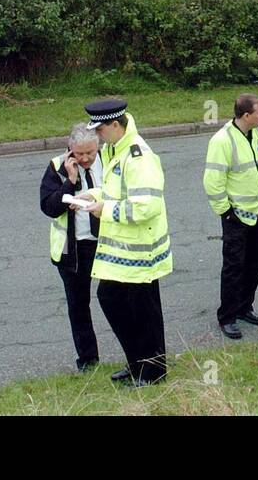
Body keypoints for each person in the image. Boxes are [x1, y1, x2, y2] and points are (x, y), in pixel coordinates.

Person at [74, 99, 171, 386]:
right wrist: (95, 196)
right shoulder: (115, 148)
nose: (97, 135)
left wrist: (106, 210)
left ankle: (153, 372)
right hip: (123, 251)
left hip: (141, 251)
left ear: (116, 125)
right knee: (111, 299)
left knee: (144, 311)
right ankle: (137, 362)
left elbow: (146, 206)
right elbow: (118, 191)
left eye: (100, 129)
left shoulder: (138, 156)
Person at [204, 93, 258, 340]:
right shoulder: (222, 141)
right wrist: (226, 212)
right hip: (235, 216)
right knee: (234, 267)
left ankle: (245, 307)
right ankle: (227, 316)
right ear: (246, 115)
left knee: (256, 262)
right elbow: (213, 182)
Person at [38, 123, 102, 373]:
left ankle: (135, 353)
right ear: (70, 149)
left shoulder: (109, 161)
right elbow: (48, 206)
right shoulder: (56, 167)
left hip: (105, 242)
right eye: (80, 154)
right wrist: (70, 183)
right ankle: (88, 360)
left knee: (117, 299)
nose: (85, 159)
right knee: (78, 306)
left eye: (90, 153)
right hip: (73, 249)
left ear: (98, 147)